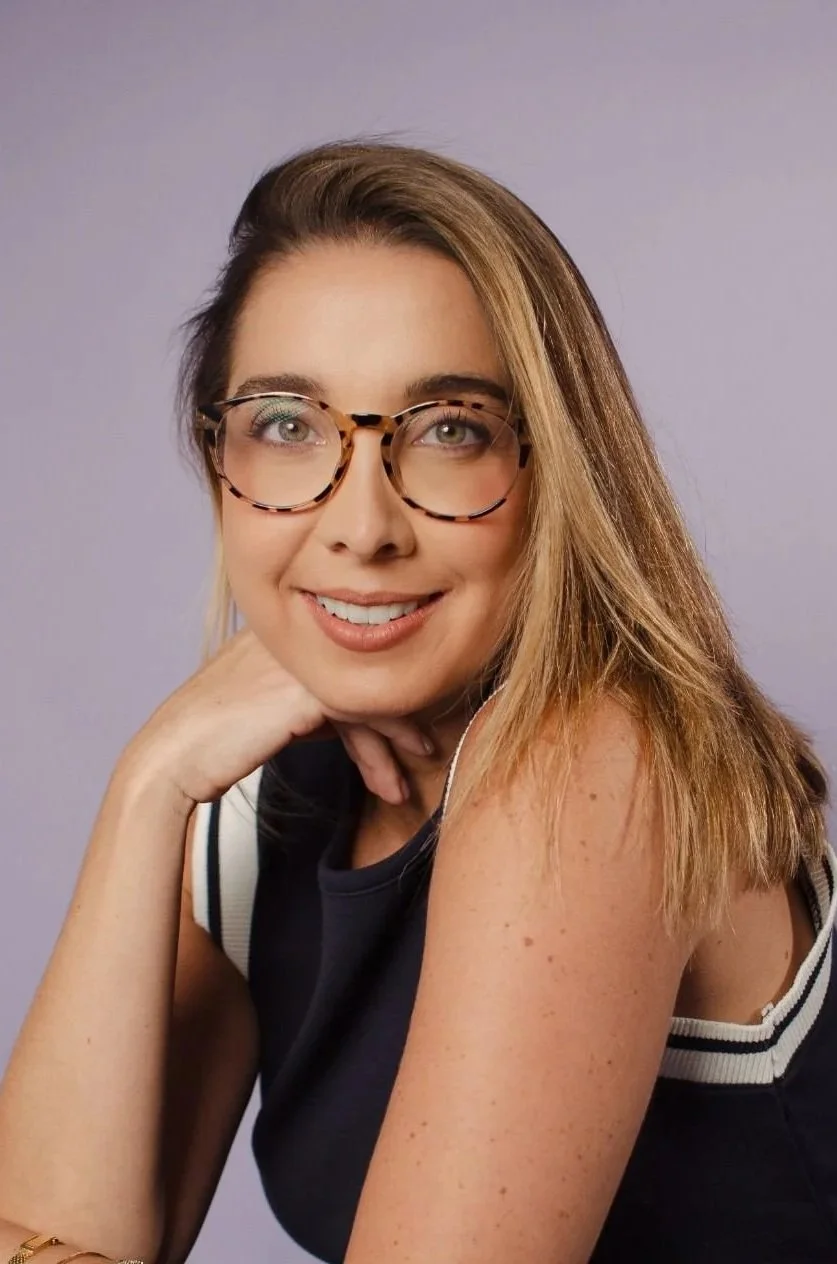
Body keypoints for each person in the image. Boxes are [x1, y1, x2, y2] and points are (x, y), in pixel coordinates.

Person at [0, 138, 834, 1264]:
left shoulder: (590, 762)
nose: (361, 525)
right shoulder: (266, 790)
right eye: (289, 426)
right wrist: (148, 785)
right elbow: (61, 1233)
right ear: (218, 460)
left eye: (448, 431)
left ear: (557, 472)